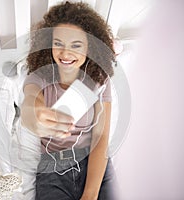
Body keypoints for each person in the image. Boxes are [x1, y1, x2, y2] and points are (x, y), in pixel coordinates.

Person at [20, 1, 119, 199]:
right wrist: (36, 119)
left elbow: (100, 139)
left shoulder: (99, 79)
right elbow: (30, 103)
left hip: (94, 165)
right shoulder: (40, 77)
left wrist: (90, 194)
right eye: (58, 44)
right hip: (52, 170)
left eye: (76, 45)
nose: (66, 53)